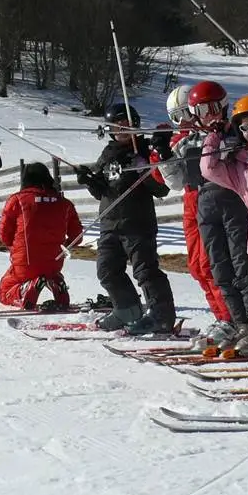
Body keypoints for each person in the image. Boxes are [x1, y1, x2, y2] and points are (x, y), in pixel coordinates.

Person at [187, 80, 248, 350]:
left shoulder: (237, 131)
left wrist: (230, 143)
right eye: (202, 110)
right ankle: (240, 323)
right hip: (206, 202)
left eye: (214, 107)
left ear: (224, 106)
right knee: (220, 268)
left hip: (233, 201)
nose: (210, 115)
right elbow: (202, 168)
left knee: (242, 265)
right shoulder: (203, 137)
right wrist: (212, 138)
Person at [76, 102, 177, 335]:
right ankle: (127, 309)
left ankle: (161, 315)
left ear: (137, 126)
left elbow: (161, 190)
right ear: (110, 129)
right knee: (107, 270)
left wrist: (146, 169)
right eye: (118, 125)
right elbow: (103, 191)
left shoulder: (143, 151)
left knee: (145, 270)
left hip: (137, 222)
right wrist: (91, 181)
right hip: (110, 222)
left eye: (128, 124)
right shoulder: (108, 154)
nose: (123, 129)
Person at [151, 86, 232, 327]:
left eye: (186, 113)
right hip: (191, 201)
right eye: (177, 117)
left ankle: (230, 318)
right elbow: (170, 181)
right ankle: (221, 317)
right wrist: (160, 154)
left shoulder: (210, 134)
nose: (183, 121)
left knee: (210, 264)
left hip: (210, 199)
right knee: (197, 266)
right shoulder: (181, 140)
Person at [0, 162, 83, 309]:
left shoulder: (17, 200)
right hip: (54, 262)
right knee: (48, 273)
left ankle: (25, 290)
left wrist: (15, 246)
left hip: (25, 262)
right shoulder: (64, 203)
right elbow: (77, 236)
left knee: (4, 291)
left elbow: (5, 236)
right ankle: (56, 284)